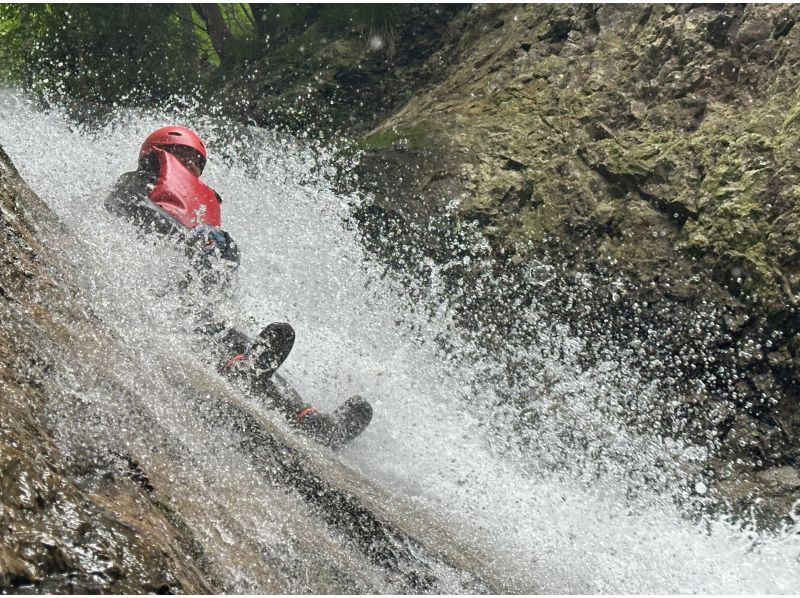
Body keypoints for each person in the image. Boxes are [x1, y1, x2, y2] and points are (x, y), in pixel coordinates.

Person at [105, 125, 371, 447]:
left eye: (196, 164)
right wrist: (182, 239)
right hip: (146, 288)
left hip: (188, 300)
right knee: (204, 328)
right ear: (160, 154)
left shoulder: (199, 215)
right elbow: (120, 210)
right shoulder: (138, 181)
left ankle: (312, 422)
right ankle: (241, 368)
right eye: (184, 159)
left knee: (237, 338)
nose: (190, 169)